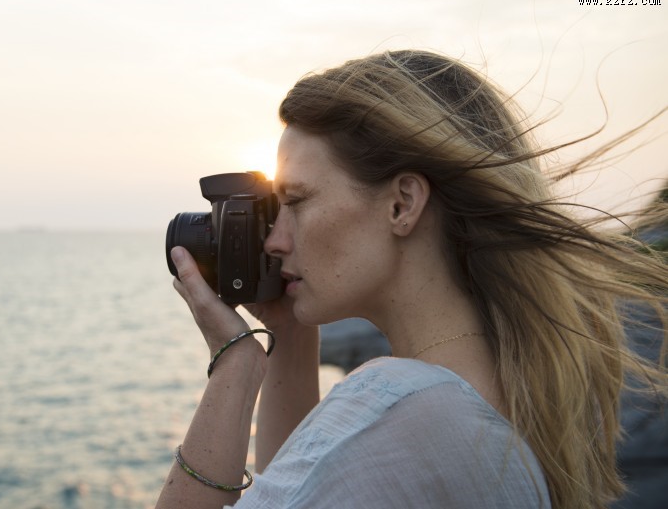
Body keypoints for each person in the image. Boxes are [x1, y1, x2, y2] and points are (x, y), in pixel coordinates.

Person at [155, 50, 667, 509]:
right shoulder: (496, 396)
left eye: (297, 201)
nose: (274, 240)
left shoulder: (400, 405)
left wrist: (235, 366)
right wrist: (287, 337)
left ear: (402, 204)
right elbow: (293, 490)